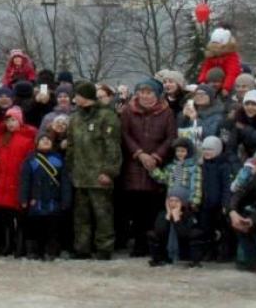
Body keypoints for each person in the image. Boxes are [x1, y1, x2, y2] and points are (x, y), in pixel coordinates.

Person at [119, 78, 177, 256]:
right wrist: (139, 153)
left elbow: (170, 137)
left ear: (156, 94)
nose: (144, 96)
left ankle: (153, 244)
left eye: (149, 92)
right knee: (136, 207)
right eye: (142, 92)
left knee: (153, 207)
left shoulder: (166, 112)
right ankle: (138, 243)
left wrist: (156, 156)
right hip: (134, 165)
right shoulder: (129, 110)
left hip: (156, 165)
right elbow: (124, 134)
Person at [66, 80, 122, 260]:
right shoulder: (75, 118)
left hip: (99, 175)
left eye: (78, 95)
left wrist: (109, 171)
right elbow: (71, 146)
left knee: (102, 214)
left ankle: (104, 248)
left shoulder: (107, 116)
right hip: (80, 174)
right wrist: (70, 168)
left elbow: (112, 146)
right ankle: (82, 248)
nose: (75, 98)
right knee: (81, 215)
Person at [0, 105, 35, 257]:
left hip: (17, 182)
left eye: (13, 120)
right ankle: (8, 244)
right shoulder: (2, 137)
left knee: (20, 218)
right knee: (5, 218)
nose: (10, 123)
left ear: (20, 121)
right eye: (7, 120)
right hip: (2, 182)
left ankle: (19, 245)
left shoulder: (28, 138)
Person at [18, 132, 72, 260]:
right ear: (37, 143)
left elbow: (65, 182)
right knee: (36, 227)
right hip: (36, 200)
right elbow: (25, 181)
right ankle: (35, 251)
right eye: (42, 139)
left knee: (52, 228)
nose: (46, 141)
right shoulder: (30, 160)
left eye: (48, 139)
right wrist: (24, 199)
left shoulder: (58, 159)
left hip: (54, 199)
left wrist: (66, 200)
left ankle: (51, 251)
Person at [149, 185, 203, 267]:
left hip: (183, 249)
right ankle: (158, 259)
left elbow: (184, 234)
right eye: (171, 200)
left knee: (195, 233)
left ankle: (194, 261)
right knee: (152, 234)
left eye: (176, 201)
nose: (173, 203)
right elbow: (160, 232)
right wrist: (167, 216)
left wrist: (177, 219)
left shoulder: (189, 215)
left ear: (183, 202)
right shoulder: (162, 214)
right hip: (165, 249)